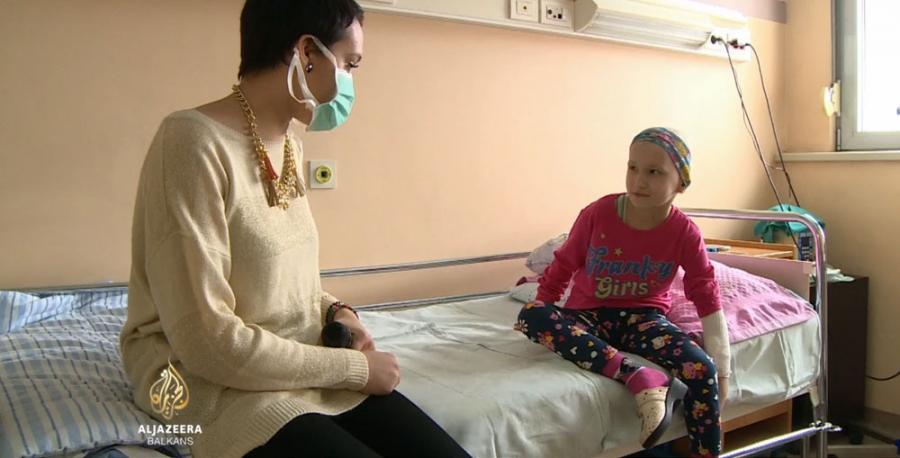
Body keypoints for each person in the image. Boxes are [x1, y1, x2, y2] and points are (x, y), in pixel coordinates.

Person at [120, 1, 469, 456]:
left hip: (292, 360)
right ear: (306, 53)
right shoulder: (190, 142)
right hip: (205, 379)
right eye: (349, 64)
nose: (350, 81)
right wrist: (355, 370)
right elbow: (206, 343)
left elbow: (281, 285)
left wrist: (337, 311)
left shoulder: (288, 146)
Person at [515, 127, 731, 457]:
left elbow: (706, 293)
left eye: (654, 172)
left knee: (702, 369)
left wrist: (723, 371)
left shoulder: (684, 232)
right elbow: (563, 265)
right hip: (587, 317)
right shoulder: (598, 214)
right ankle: (637, 376)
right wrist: (545, 314)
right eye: (633, 168)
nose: (639, 181)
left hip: (644, 321)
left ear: (681, 183)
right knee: (532, 315)